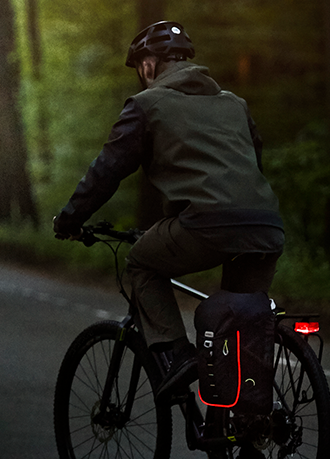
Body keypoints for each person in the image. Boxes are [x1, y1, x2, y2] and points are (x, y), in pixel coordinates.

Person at [52, 21, 285, 397]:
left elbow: (107, 170)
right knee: (239, 329)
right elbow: (252, 163)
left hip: (206, 225)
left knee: (142, 263)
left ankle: (177, 354)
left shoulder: (147, 105)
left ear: (148, 66)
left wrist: (70, 219)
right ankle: (243, 440)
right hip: (266, 228)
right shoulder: (234, 104)